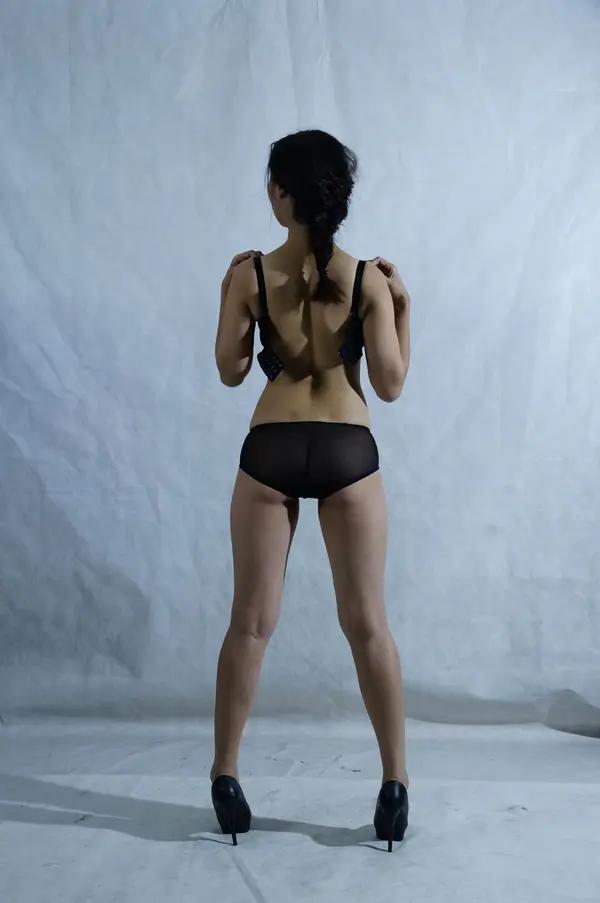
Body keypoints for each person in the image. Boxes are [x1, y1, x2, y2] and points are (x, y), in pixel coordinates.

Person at [211, 129, 411, 851]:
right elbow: (389, 384)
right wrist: (403, 309)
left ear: (281, 194)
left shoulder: (250, 274)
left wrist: (228, 297)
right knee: (367, 624)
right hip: (347, 449)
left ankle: (225, 773)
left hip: (269, 447)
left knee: (250, 623)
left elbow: (232, 371)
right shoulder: (368, 280)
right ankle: (394, 783)